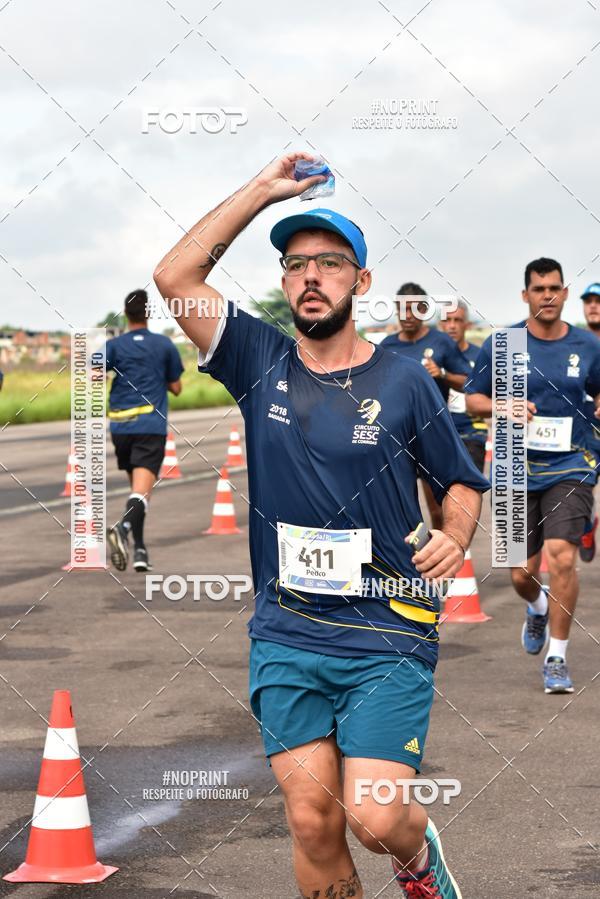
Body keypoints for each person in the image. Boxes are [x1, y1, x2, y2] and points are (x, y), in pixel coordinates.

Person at [154, 152, 489, 899]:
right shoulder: (258, 359)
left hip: (387, 628)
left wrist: (456, 534)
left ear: (361, 283)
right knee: (311, 820)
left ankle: (418, 855)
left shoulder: (404, 381)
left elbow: (462, 480)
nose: (311, 277)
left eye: (330, 264)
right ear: (283, 284)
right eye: (296, 265)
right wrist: (261, 191)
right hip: (288, 631)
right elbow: (175, 277)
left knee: (374, 817)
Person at [466, 258, 600, 693]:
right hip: (513, 467)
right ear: (525, 295)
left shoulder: (587, 345)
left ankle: (557, 657)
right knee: (521, 574)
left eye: (554, 288)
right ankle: (538, 606)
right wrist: (501, 405)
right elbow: (472, 400)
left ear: (564, 293)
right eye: (539, 288)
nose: (547, 295)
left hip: (572, 464)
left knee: (561, 556)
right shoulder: (503, 343)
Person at [380, 285, 472, 529]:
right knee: (397, 507)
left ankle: (444, 553)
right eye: (402, 308)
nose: (408, 315)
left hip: (432, 436)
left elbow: (469, 382)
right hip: (397, 438)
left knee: (437, 509)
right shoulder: (387, 346)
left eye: (414, 308)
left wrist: (442, 374)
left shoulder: (441, 342)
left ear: (424, 310)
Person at [105, 289, 184, 572]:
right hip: (150, 426)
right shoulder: (164, 345)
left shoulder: (114, 346)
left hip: (120, 426)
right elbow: (176, 387)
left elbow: (93, 372)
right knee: (141, 492)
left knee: (138, 492)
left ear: (126, 314)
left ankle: (140, 551)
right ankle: (123, 529)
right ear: (147, 313)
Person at [439, 300, 488, 473]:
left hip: (472, 434)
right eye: (447, 320)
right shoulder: (430, 356)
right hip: (437, 435)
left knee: (469, 488)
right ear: (440, 324)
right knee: (436, 491)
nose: (452, 326)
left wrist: (445, 375)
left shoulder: (480, 355)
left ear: (466, 324)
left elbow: (491, 394)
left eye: (457, 320)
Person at [578, 283, 600, 561]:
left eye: (598, 300)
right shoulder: (576, 343)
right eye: (588, 301)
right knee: (579, 487)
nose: (593, 305)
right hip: (583, 432)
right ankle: (586, 526)